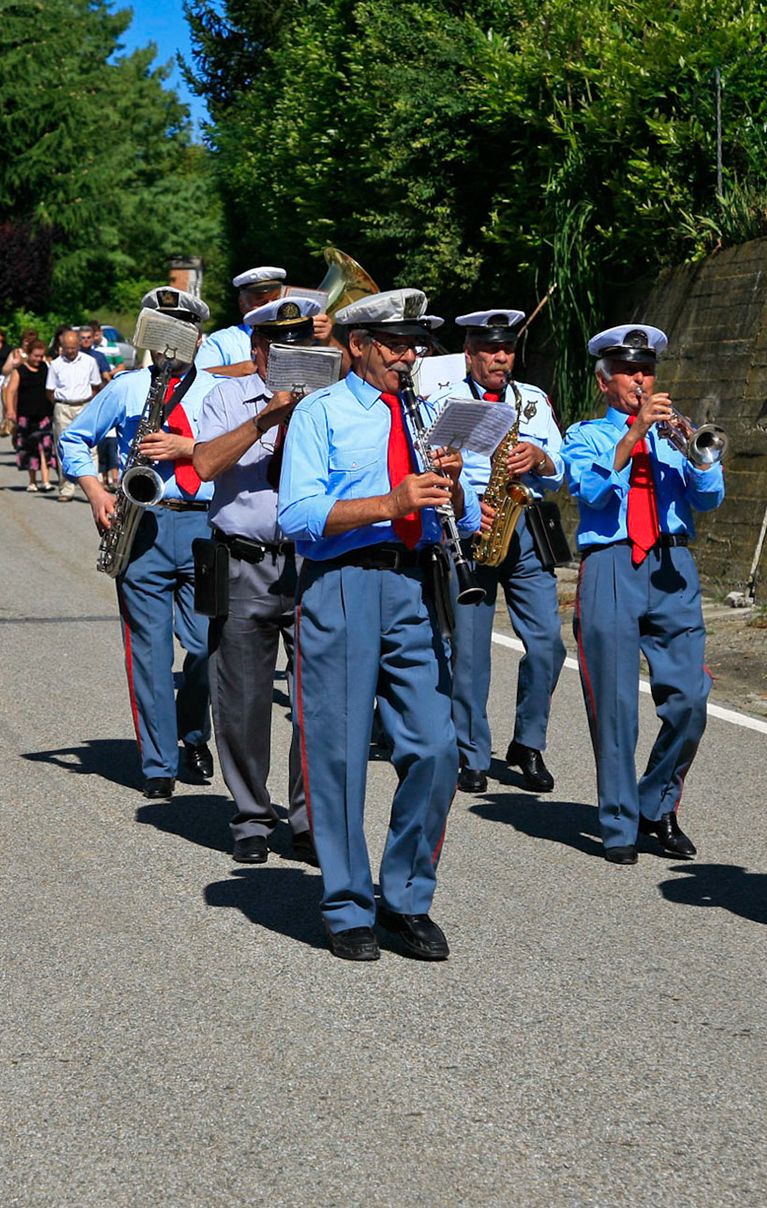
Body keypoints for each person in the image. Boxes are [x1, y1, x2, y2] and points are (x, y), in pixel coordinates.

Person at [277, 288, 480, 963]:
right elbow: (298, 515)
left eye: (414, 342)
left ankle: (405, 897)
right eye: (395, 342)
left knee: (436, 747)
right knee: (336, 754)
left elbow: (470, 521)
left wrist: (455, 487)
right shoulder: (320, 412)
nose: (407, 354)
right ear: (356, 345)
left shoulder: (428, 413)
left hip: (415, 582)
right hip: (341, 582)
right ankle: (345, 904)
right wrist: (388, 501)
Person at [561, 324, 723, 865]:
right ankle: (618, 824)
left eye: (647, 371)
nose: (642, 380)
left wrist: (697, 455)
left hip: (673, 563)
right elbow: (590, 490)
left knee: (691, 699)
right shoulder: (585, 435)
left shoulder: (676, 433)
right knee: (614, 705)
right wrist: (631, 437)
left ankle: (655, 803)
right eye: (631, 371)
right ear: (605, 381)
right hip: (611, 562)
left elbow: (711, 496)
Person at [58, 286, 220, 799]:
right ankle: (157, 762)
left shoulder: (219, 390)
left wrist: (189, 448)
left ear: (196, 338)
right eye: (160, 332)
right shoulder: (128, 387)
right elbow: (74, 439)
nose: (170, 345)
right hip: (143, 523)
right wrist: (94, 493)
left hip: (206, 525)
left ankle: (192, 731)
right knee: (148, 652)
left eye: (181, 332)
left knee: (208, 646)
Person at [190, 296, 324, 866]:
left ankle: (309, 817)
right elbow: (204, 465)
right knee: (242, 697)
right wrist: (268, 415)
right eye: (276, 350)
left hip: (313, 560)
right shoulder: (225, 397)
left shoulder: (331, 402)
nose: (287, 359)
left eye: (298, 349)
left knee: (317, 697)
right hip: (244, 559)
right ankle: (250, 814)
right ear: (257, 351)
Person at [439, 309, 566, 795]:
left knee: (548, 642)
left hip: (524, 522)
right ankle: (471, 752)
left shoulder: (531, 399)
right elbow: (436, 464)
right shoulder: (446, 402)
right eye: (490, 350)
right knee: (470, 650)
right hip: (472, 527)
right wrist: (470, 508)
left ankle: (528, 742)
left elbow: (561, 470)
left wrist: (540, 457)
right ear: (469, 354)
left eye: (507, 350)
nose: (500, 358)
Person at [197, 267, 287, 376]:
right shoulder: (221, 341)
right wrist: (242, 370)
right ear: (242, 304)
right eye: (261, 301)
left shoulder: (301, 333)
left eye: (276, 300)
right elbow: (196, 378)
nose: (270, 307)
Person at [47, 327, 102, 501]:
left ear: (78, 345)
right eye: (67, 348)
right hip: (63, 407)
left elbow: (96, 386)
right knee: (63, 447)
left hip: (85, 406)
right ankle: (66, 488)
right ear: (61, 346)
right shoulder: (55, 364)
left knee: (91, 447)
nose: (70, 351)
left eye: (73, 347)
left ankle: (93, 491)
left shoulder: (89, 361)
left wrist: (89, 405)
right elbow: (50, 390)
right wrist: (61, 404)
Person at [2, 329, 56, 491]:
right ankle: (32, 481)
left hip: (44, 413)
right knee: (29, 447)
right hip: (25, 414)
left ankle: (46, 480)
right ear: (29, 354)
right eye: (35, 356)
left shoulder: (47, 368)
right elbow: (11, 391)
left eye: (41, 356)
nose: (38, 359)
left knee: (45, 447)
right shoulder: (20, 371)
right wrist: (10, 410)